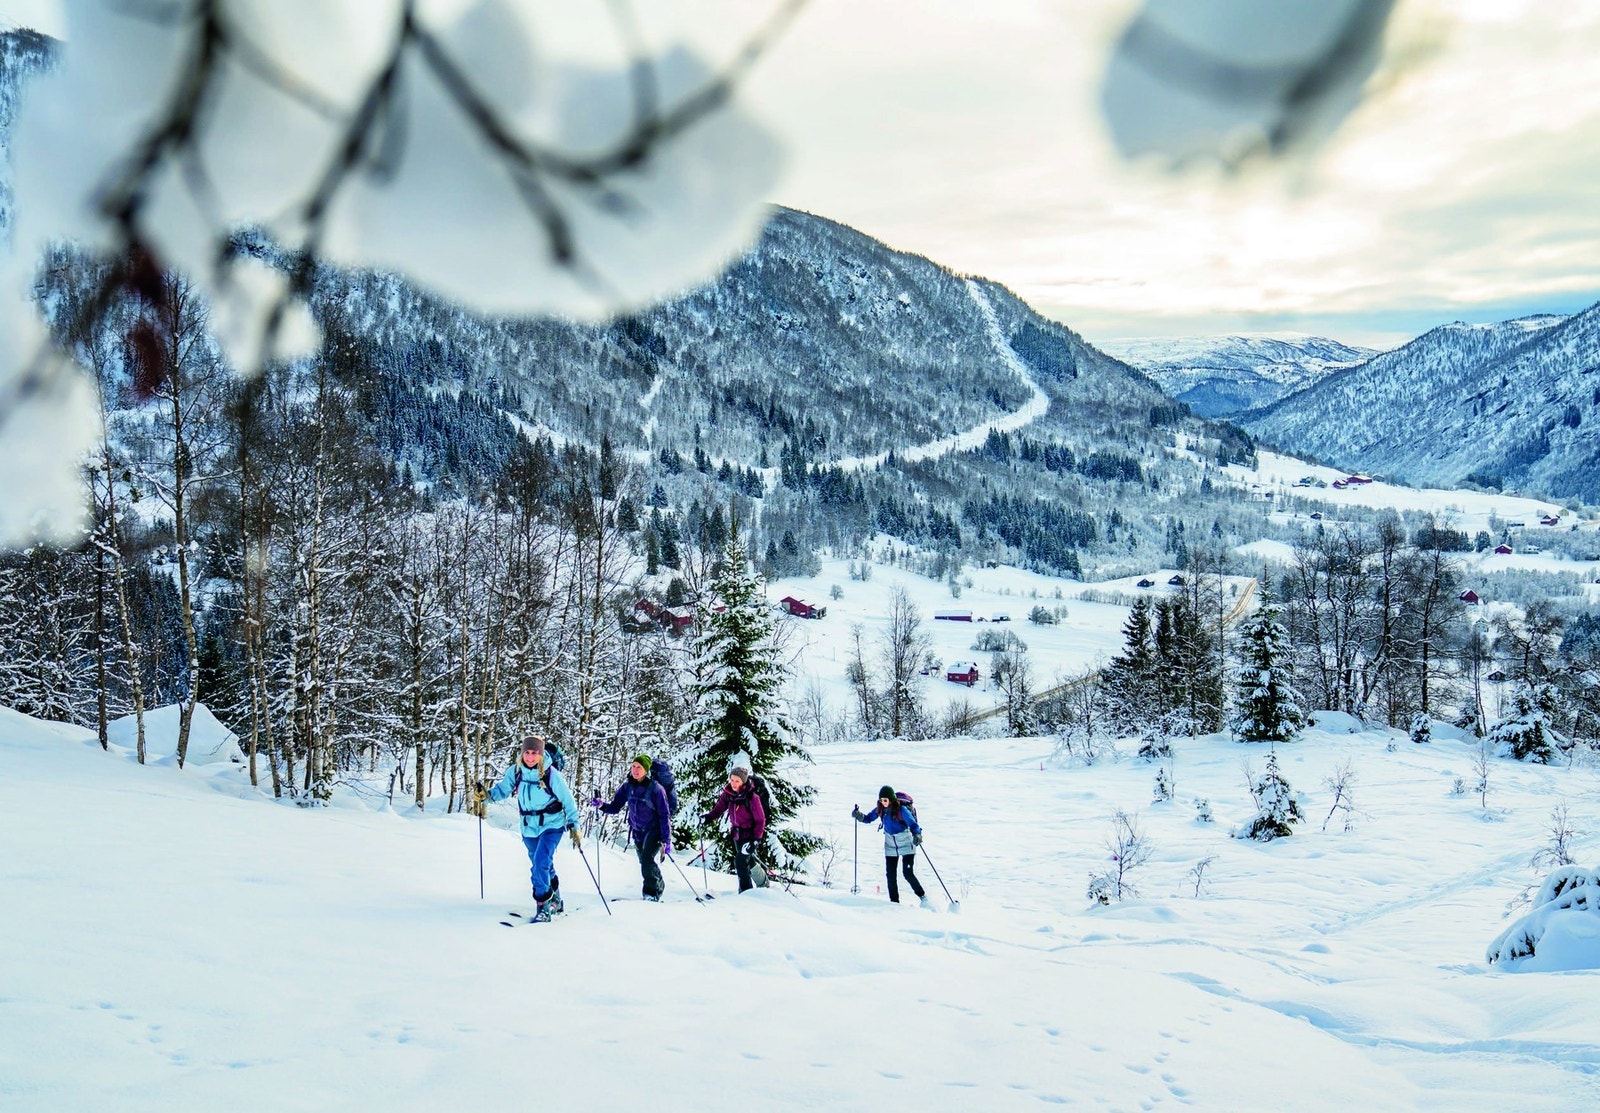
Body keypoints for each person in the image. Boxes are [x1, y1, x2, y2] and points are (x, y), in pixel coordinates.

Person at [477, 736, 581, 922]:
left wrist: (574, 825)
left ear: (541, 755)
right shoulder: (517, 771)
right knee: (541, 863)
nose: (530, 757)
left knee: (540, 861)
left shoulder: (551, 775)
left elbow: (568, 801)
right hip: (528, 827)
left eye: (535, 753)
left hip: (552, 824)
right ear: (522, 753)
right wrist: (485, 796)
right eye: (527, 752)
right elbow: (502, 790)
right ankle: (556, 898)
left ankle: (543, 907)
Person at [592, 754, 673, 901]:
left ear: (646, 770)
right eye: (633, 766)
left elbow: (664, 815)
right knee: (644, 862)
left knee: (647, 860)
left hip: (653, 831)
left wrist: (666, 839)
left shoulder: (656, 789)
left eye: (639, 767)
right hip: (637, 831)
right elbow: (615, 807)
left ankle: (651, 893)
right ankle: (657, 883)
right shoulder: (627, 787)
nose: (635, 770)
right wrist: (602, 805)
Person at [853, 785, 928, 907]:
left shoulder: (902, 811)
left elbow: (913, 825)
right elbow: (868, 818)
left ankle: (923, 897)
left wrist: (918, 835)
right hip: (890, 845)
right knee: (890, 875)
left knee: (907, 873)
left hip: (906, 843)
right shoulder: (880, 809)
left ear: (892, 799)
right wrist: (859, 816)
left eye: (885, 800)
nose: (883, 802)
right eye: (881, 800)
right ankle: (894, 904)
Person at [702, 765, 766, 893]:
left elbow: (760, 820)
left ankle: (746, 892)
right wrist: (708, 817)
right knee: (748, 860)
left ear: (743, 781)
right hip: (737, 834)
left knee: (740, 862)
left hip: (750, 835)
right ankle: (763, 882)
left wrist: (755, 840)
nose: (734, 783)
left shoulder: (752, 798)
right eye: (732, 780)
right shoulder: (728, 794)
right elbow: (719, 808)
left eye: (737, 781)